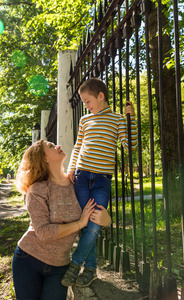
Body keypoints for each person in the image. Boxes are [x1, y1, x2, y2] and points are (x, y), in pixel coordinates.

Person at [61, 78, 137, 288]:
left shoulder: (118, 119)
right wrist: (71, 169)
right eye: (84, 103)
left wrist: (131, 120)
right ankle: (91, 269)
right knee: (85, 223)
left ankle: (76, 264)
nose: (86, 105)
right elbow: (78, 147)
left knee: (94, 222)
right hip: (82, 177)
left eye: (87, 101)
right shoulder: (85, 120)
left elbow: (130, 146)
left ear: (100, 96)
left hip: (102, 180)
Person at [12, 139, 111, 300]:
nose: (58, 145)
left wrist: (106, 221)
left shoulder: (78, 185)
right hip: (29, 259)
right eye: (51, 146)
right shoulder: (37, 190)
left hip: (60, 266)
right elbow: (44, 232)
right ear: (44, 159)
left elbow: (92, 221)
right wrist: (79, 223)